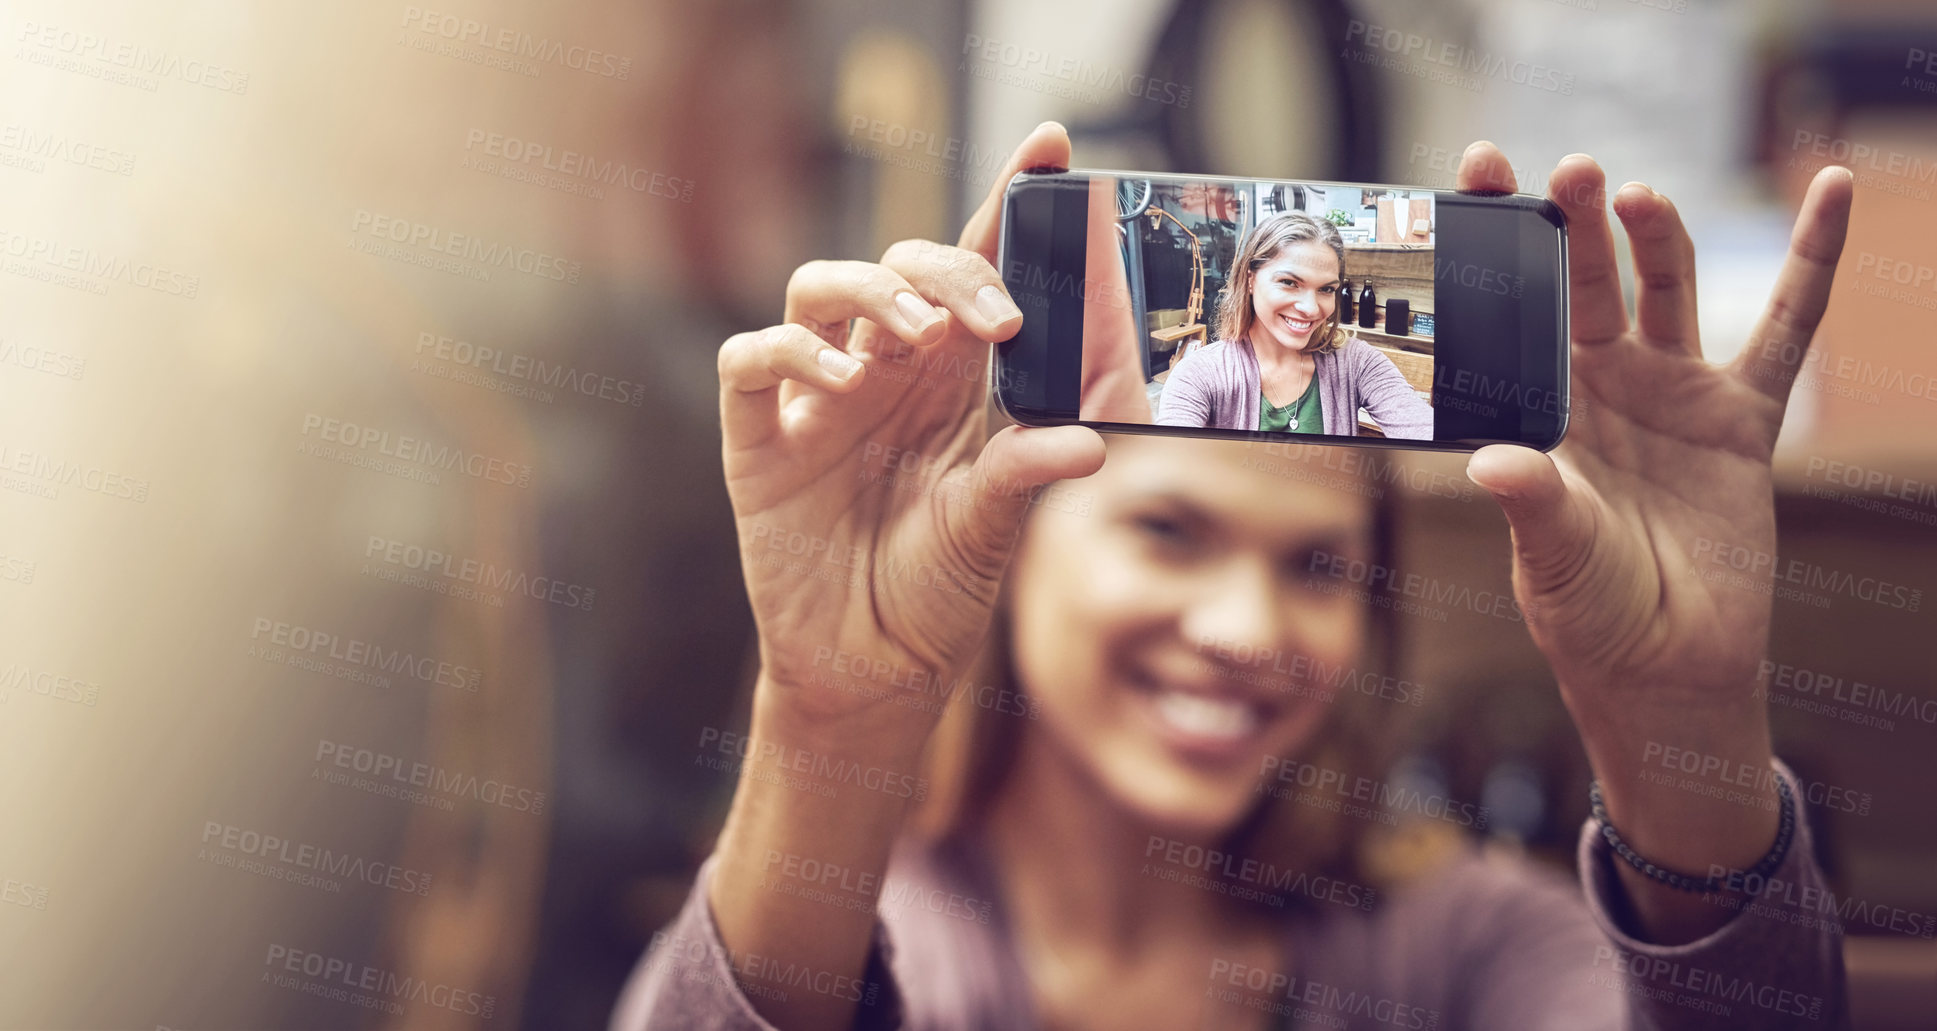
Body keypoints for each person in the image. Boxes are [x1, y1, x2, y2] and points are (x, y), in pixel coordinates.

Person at [612, 123, 1855, 1030]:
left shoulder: (1464, 948)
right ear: (1011, 538)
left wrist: (1681, 725)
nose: (1245, 626)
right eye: (1167, 532)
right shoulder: (878, 941)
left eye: (1316, 564)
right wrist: (829, 708)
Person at [1155, 211, 1433, 439]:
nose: (1311, 309)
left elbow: (1422, 427)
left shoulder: (1355, 362)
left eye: (1326, 289)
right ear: (1250, 279)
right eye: (1289, 283)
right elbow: (1171, 466)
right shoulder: (1200, 375)